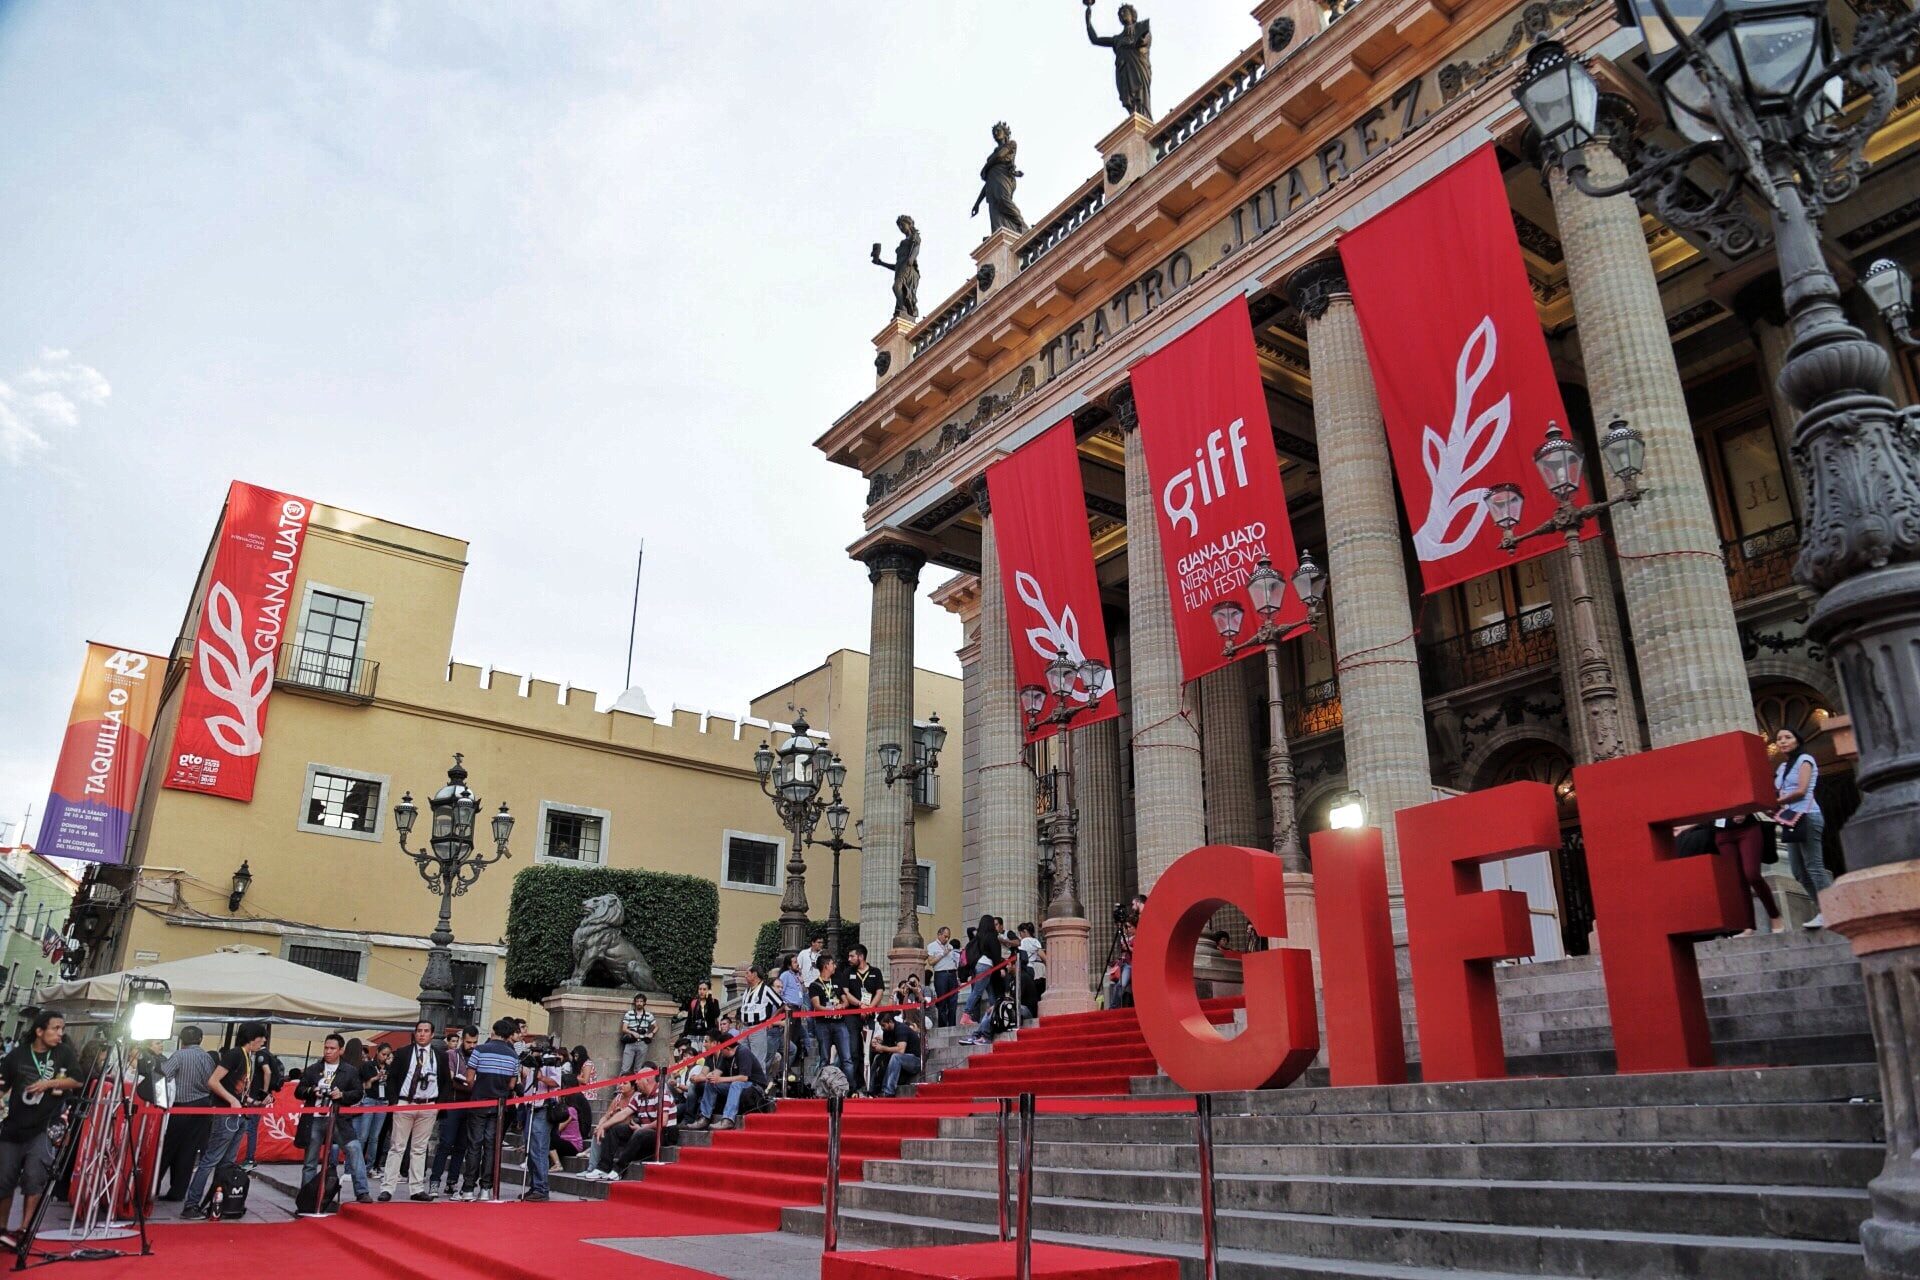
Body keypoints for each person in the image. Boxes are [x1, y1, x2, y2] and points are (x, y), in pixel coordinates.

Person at [0, 1010, 80, 1244]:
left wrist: (50, 1083)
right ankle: (2, 1228)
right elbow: (3, 1085)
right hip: (13, 1126)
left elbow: (77, 1079)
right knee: (4, 1179)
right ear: (39, 1031)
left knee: (34, 1179)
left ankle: (25, 1229)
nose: (60, 1034)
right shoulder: (16, 1056)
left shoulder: (63, 1054)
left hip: (43, 1127)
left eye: (62, 1029)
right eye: (55, 1028)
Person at [182, 1020, 270, 1216]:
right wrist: (232, 1100)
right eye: (261, 1037)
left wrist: (253, 1102)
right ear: (252, 1038)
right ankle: (191, 1204)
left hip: (239, 1114)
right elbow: (213, 1081)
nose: (263, 1041)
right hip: (226, 1115)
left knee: (227, 1162)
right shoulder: (235, 1054)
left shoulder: (248, 1057)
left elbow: (237, 1090)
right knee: (211, 1160)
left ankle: (216, 1201)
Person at [292, 1032, 367, 1207]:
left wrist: (342, 1095)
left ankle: (362, 1191)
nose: (328, 1051)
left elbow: (358, 1094)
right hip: (315, 1118)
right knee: (310, 1161)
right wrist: (312, 1091)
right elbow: (298, 1091)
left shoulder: (350, 1071)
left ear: (341, 1050)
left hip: (338, 1119)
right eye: (326, 1047)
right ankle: (306, 1200)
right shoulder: (313, 1069)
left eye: (332, 1048)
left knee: (354, 1149)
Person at [379, 1020, 450, 1202]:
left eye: (426, 1031)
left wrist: (438, 1105)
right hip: (405, 1103)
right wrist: (394, 1102)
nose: (422, 1034)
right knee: (397, 1146)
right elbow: (392, 1079)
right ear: (415, 1033)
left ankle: (417, 1188)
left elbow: (446, 1082)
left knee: (419, 1148)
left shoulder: (440, 1055)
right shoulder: (403, 1053)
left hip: (428, 1104)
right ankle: (387, 1187)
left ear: (432, 1034)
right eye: (419, 1031)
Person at [453, 1018, 521, 1202]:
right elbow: (513, 1083)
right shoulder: (513, 1056)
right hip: (499, 1105)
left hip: (478, 1102)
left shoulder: (480, 1050)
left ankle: (468, 1188)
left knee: (474, 1144)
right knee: (491, 1146)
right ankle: (486, 1188)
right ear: (508, 1035)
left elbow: (469, 1078)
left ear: (494, 1032)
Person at [1772, 727, 1832, 926]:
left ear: (1797, 740)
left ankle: (1830, 910)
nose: (1782, 741)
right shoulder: (1782, 767)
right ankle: (1824, 908)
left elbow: (1801, 790)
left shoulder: (1805, 760)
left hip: (1808, 815)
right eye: (1779, 739)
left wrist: (1778, 800)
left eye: (1787, 737)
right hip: (1791, 818)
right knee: (1798, 870)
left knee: (1814, 866)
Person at [157, 1026, 217, 1201]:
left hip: (182, 1106)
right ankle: (178, 1192)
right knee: (189, 1150)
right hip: (203, 1107)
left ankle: (152, 1185)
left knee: (168, 1148)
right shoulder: (207, 1057)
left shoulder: (179, 1055)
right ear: (200, 1039)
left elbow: (164, 1075)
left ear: (182, 1040)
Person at [579, 1075, 676, 1181]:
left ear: (647, 1080)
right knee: (614, 1129)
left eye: (639, 1079)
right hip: (643, 1130)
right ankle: (603, 1168)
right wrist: (603, 1126)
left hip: (663, 1134)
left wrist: (642, 1128)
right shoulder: (639, 1097)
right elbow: (624, 1113)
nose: (636, 1082)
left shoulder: (662, 1095)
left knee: (639, 1134)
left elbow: (663, 1121)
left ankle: (618, 1170)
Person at [1715, 810, 1781, 934]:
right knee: (1737, 881)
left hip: (1747, 828)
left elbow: (1748, 793)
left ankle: (1774, 916)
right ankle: (1748, 926)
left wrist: (1745, 811)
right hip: (1722, 833)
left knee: (1752, 874)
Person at [689, 1024, 766, 1131]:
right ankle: (704, 1117)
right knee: (711, 1084)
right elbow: (717, 1073)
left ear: (728, 1048)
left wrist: (720, 1079)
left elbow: (744, 1077)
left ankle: (728, 1119)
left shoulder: (743, 1052)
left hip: (754, 1086)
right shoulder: (725, 1056)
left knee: (736, 1084)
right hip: (738, 1085)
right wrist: (710, 1077)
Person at [428, 1024, 475, 1195]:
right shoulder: (451, 1055)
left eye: (475, 1042)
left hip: (470, 1106)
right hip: (453, 1103)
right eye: (469, 1042)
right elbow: (449, 1080)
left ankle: (452, 1181)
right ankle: (434, 1181)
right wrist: (470, 1087)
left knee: (462, 1145)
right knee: (446, 1143)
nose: (472, 1046)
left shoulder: (476, 1056)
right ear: (463, 1040)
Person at [517, 1037, 562, 1202]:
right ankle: (534, 1186)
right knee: (530, 1148)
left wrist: (541, 1077)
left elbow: (556, 1082)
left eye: (535, 1049)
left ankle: (542, 1187)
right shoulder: (531, 1062)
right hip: (530, 1106)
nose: (532, 1052)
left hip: (543, 1108)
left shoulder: (551, 1061)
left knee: (539, 1150)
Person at [842, 945, 885, 1094]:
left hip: (869, 1016)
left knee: (868, 1051)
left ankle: (869, 1086)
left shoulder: (875, 972)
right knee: (853, 1051)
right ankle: (853, 1086)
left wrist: (869, 1008)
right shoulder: (848, 972)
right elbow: (846, 992)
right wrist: (860, 1005)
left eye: (852, 956)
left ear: (860, 956)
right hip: (852, 1016)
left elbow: (879, 992)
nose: (849, 959)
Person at [808, 957, 853, 1082]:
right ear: (826, 966)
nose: (835, 966)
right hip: (823, 1024)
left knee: (847, 1058)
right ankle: (823, 1088)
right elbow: (816, 1006)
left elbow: (846, 1001)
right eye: (832, 964)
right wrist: (830, 1010)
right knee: (824, 1059)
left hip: (840, 1023)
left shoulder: (837, 982)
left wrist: (842, 1006)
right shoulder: (814, 985)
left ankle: (849, 1089)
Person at [962, 914, 1005, 1036]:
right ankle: (966, 1014)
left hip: (981, 965)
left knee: (990, 991)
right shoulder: (992, 936)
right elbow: (996, 954)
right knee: (977, 991)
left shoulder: (981, 937)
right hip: (986, 966)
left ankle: (994, 1011)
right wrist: (1000, 968)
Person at [870, 1010, 921, 1098]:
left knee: (896, 1057)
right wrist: (876, 1046)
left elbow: (901, 1050)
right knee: (877, 1058)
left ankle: (888, 1091)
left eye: (883, 1025)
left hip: (915, 1060)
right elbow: (887, 1049)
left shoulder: (901, 1029)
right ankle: (872, 1089)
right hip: (903, 1058)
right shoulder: (887, 1032)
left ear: (890, 1022)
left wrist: (882, 1048)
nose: (882, 1028)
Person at [738, 966, 780, 1066]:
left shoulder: (765, 989)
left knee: (758, 1059)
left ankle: (758, 1081)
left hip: (757, 1027)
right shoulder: (747, 990)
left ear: (755, 974)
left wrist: (771, 1019)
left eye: (747, 973)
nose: (745, 976)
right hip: (744, 1027)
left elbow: (781, 1004)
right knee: (742, 1057)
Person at [927, 926, 961, 1028]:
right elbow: (931, 962)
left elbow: (955, 962)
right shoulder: (932, 946)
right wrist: (942, 954)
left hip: (952, 974)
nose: (947, 939)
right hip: (941, 974)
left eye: (948, 937)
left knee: (953, 1002)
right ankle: (943, 1026)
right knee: (942, 1001)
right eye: (945, 936)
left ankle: (952, 1025)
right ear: (939, 935)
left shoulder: (950, 946)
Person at [619, 994, 656, 1076]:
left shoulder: (649, 1015)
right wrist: (632, 1032)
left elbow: (656, 1027)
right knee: (625, 1068)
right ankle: (620, 1088)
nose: (639, 1003)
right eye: (637, 1001)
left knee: (638, 1070)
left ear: (644, 1003)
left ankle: (637, 1088)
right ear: (635, 1003)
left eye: (641, 1001)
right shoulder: (629, 1014)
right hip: (630, 1043)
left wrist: (652, 1033)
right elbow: (624, 1028)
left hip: (642, 1043)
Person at [680, 981, 720, 1052]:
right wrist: (684, 1035)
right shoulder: (694, 1002)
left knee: (705, 1058)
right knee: (693, 1057)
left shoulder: (714, 1002)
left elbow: (715, 1014)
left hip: (707, 1035)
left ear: (709, 990)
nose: (702, 991)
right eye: (700, 989)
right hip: (693, 1035)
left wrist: (709, 999)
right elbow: (689, 1020)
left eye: (704, 989)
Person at [1017, 923, 1047, 1011]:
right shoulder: (1034, 941)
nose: (1020, 936)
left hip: (1027, 968)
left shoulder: (1025, 941)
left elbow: (1041, 955)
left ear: (1025, 932)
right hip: (1033, 968)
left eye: (1020, 933)